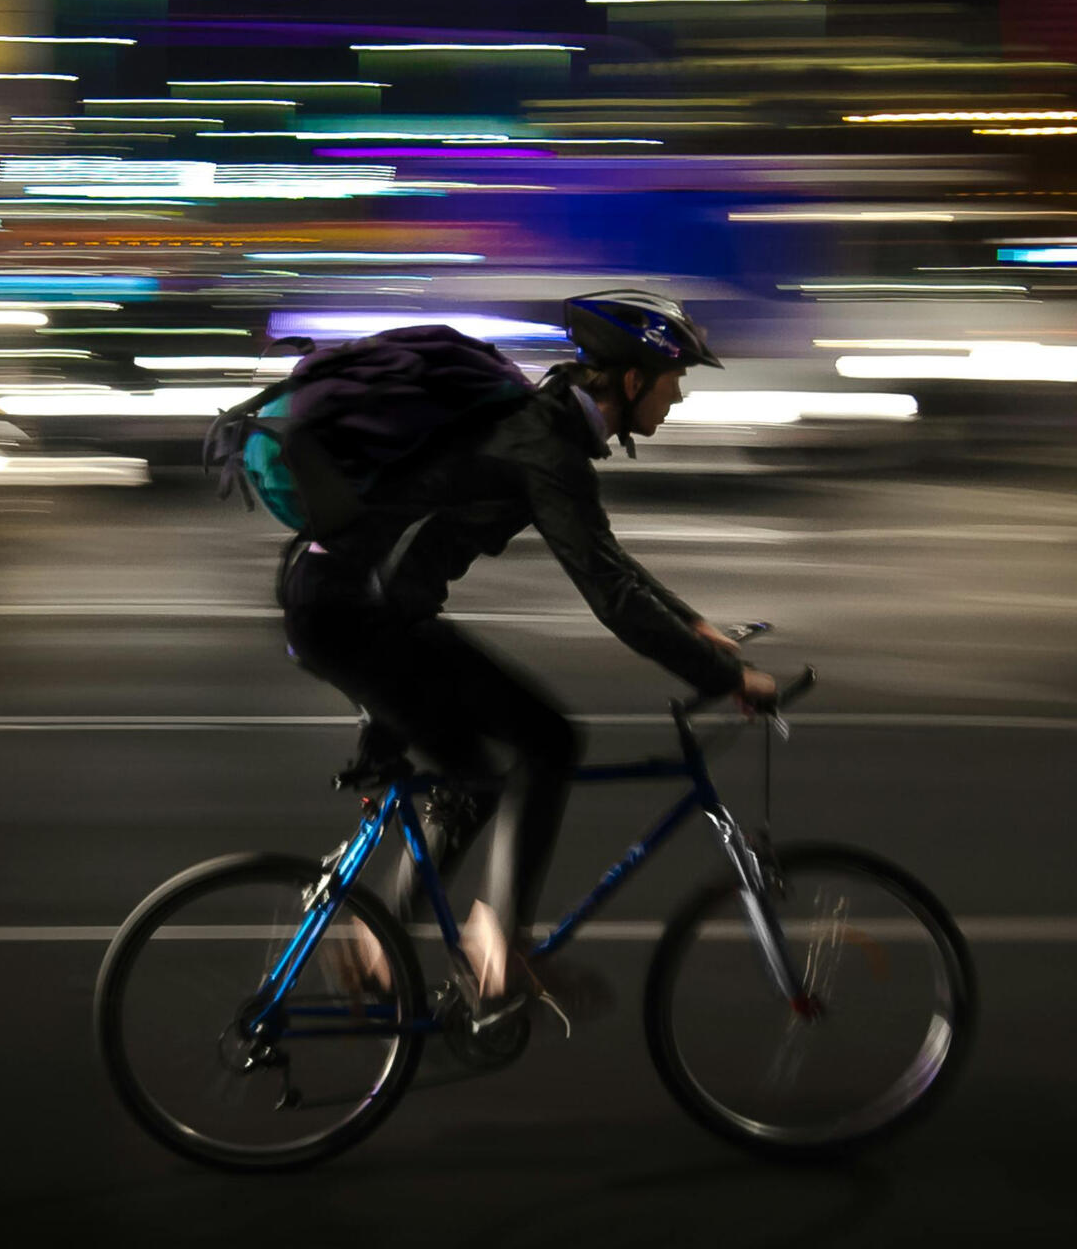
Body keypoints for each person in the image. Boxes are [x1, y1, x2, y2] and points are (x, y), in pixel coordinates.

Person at [282, 290, 776, 1018]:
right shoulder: (544, 445)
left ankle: (377, 946)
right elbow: (608, 594)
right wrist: (726, 675)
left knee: (477, 771)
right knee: (547, 739)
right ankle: (495, 951)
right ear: (633, 379)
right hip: (353, 616)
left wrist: (696, 626)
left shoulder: (541, 428)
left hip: (351, 605)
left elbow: (606, 560)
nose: (678, 397)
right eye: (673, 381)